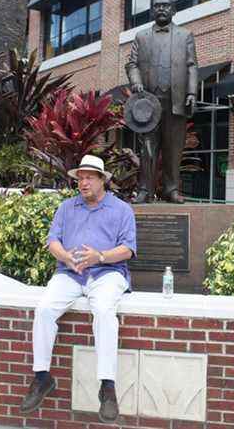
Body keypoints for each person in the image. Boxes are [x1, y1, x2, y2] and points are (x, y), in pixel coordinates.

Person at [20, 154, 136, 424]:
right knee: (45, 309)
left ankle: (107, 386)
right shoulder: (66, 208)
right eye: (79, 178)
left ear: (102, 181)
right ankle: (42, 377)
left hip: (108, 273)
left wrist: (100, 257)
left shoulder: (121, 210)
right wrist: (67, 258)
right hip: (70, 273)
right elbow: (53, 241)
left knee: (105, 311)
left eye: (88, 178)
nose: (82, 183)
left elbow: (128, 249)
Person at [125, 0, 198, 204]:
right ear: (152, 11)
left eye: (166, 6)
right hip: (148, 103)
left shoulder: (186, 35)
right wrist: (136, 82)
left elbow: (192, 66)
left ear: (173, 10)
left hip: (176, 101)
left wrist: (192, 93)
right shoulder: (141, 36)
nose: (161, 9)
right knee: (147, 149)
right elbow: (132, 65)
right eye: (157, 6)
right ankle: (144, 190)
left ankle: (171, 189)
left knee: (173, 148)